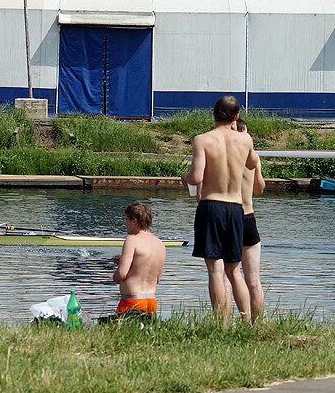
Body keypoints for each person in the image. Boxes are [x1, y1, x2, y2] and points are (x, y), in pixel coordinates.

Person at [181, 96, 260, 325]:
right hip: (236, 208)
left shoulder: (202, 140)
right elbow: (253, 163)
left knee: (216, 270)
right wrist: (245, 143)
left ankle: (221, 324)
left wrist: (184, 177)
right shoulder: (245, 140)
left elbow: (196, 177)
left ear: (213, 114)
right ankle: (247, 322)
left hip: (212, 205)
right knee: (234, 271)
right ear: (236, 116)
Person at [107, 202, 166, 321]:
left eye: (126, 220)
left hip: (132, 301)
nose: (125, 224)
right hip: (151, 301)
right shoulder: (160, 244)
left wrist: (115, 275)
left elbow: (122, 274)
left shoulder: (132, 240)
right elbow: (156, 278)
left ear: (134, 221)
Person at [236, 120, 266, 323]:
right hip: (249, 216)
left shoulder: (226, 153)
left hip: (228, 215)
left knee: (227, 273)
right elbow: (259, 189)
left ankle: (237, 319)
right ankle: (257, 323)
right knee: (254, 280)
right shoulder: (253, 157)